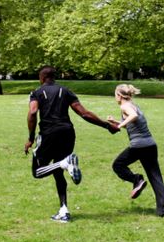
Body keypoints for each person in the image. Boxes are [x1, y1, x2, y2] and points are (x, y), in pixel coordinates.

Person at [25, 66, 119, 223]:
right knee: (58, 171)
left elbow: (33, 112)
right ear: (54, 77)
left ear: (41, 78)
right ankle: (64, 210)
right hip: (68, 133)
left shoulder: (37, 93)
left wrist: (30, 137)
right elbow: (84, 113)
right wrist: (107, 126)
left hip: (49, 135)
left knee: (38, 172)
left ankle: (64, 164)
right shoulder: (66, 91)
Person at [107, 84, 164, 217]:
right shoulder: (133, 105)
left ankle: (137, 179)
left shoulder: (125, 106)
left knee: (117, 165)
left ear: (120, 96)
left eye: (115, 95)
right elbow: (133, 124)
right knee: (155, 177)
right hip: (150, 144)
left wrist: (119, 125)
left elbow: (133, 116)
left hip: (139, 146)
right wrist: (115, 122)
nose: (115, 98)